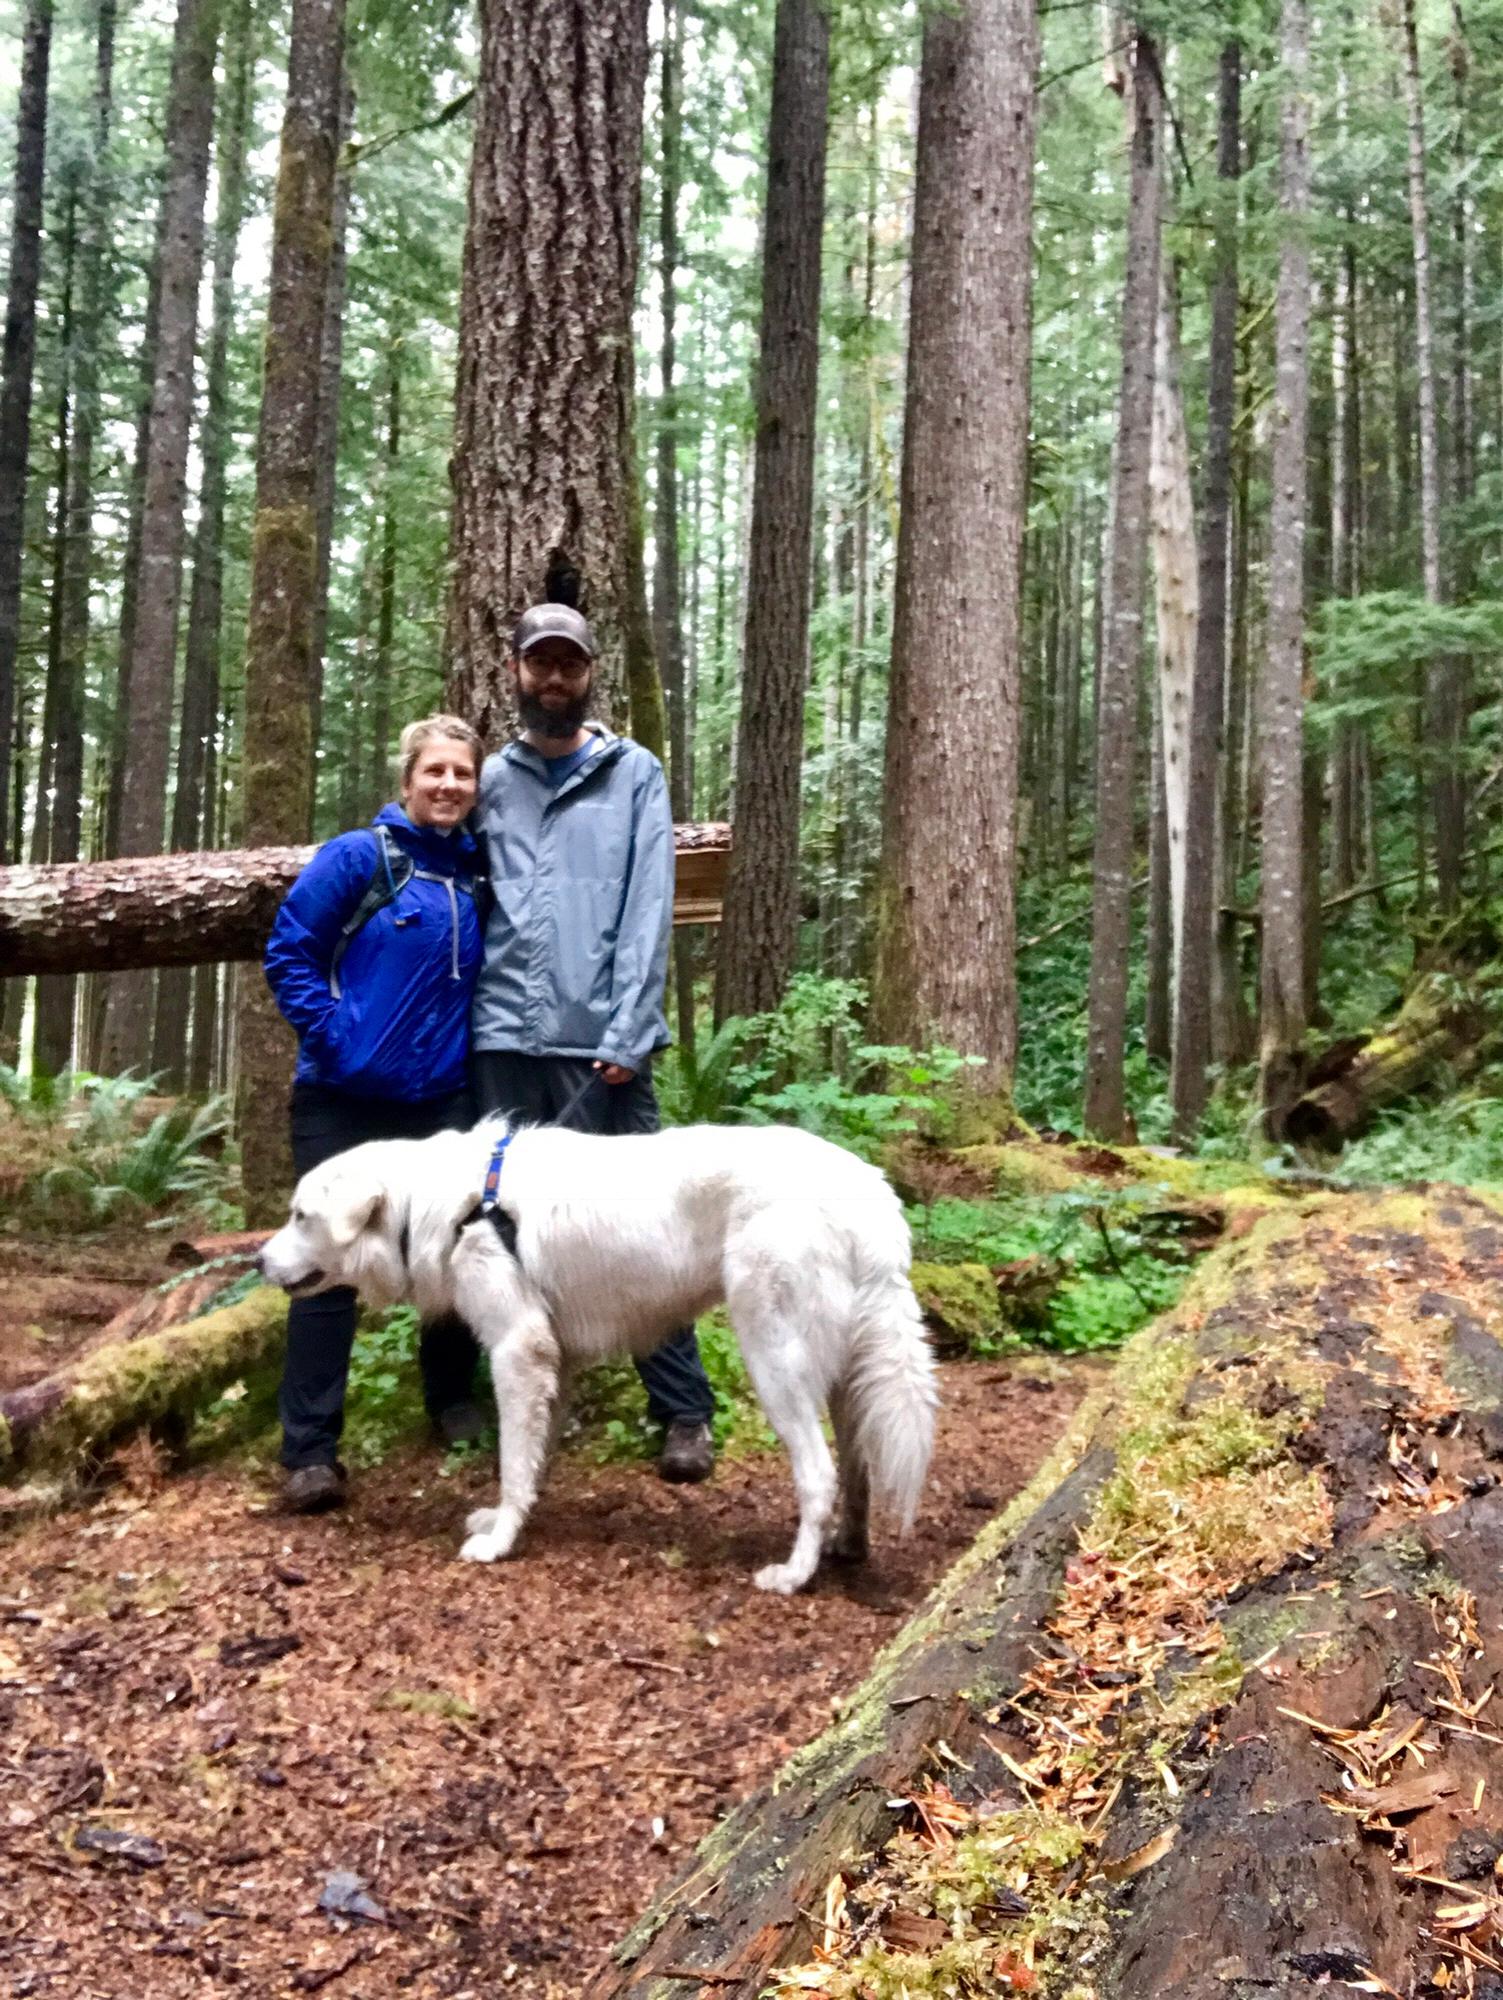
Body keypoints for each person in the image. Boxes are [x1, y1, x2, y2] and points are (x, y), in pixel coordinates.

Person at [470, 602, 717, 1484]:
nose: (553, 680)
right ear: (515, 671)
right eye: (540, 664)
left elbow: (648, 908)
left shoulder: (633, 775)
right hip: (501, 1035)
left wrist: (628, 1030)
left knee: (642, 1232)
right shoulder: (488, 780)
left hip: (600, 1042)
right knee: (501, 1237)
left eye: (568, 665)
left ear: (590, 674)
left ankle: (683, 1410)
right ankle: (521, 1402)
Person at [264, 715, 489, 1513]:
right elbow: (288, 950)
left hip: (440, 1100)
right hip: (341, 1097)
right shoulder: (361, 858)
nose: (448, 786)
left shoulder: (475, 874)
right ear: (406, 782)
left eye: (462, 774)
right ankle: (310, 1452)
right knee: (326, 1262)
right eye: (434, 772)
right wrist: (337, 1037)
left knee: (454, 1253)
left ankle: (451, 1401)